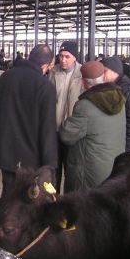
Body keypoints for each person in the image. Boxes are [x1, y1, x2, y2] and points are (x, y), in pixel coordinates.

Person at [0, 44, 58, 197]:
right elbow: (48, 131)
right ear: (46, 65)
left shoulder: (5, 78)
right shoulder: (46, 87)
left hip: (8, 155)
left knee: (8, 197)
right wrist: (49, 166)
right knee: (30, 202)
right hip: (33, 160)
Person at [59, 61, 126, 192]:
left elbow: (66, 135)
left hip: (89, 172)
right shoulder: (119, 100)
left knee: (83, 208)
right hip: (113, 167)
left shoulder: (85, 106)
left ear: (83, 82)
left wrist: (64, 123)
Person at [48, 41, 83, 192]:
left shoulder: (82, 74)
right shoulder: (53, 72)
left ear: (74, 57)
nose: (63, 60)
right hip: (54, 130)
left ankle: (69, 203)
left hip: (72, 132)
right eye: (61, 56)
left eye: (67, 56)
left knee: (71, 170)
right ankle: (53, 202)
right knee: (53, 170)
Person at [101, 56, 130, 154]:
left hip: (126, 147)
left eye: (104, 71)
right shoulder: (113, 87)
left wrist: (129, 152)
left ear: (115, 72)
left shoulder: (128, 91)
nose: (101, 75)